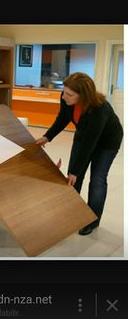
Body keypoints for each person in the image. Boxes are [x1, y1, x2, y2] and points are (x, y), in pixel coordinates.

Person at [36, 72, 123, 235]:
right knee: (73, 177)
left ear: (83, 95)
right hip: (84, 136)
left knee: (97, 179)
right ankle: (72, 213)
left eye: (69, 94)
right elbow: (62, 118)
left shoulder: (99, 108)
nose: (64, 97)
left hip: (107, 142)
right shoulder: (66, 99)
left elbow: (91, 143)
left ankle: (92, 220)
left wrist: (76, 170)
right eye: (64, 92)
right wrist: (47, 137)